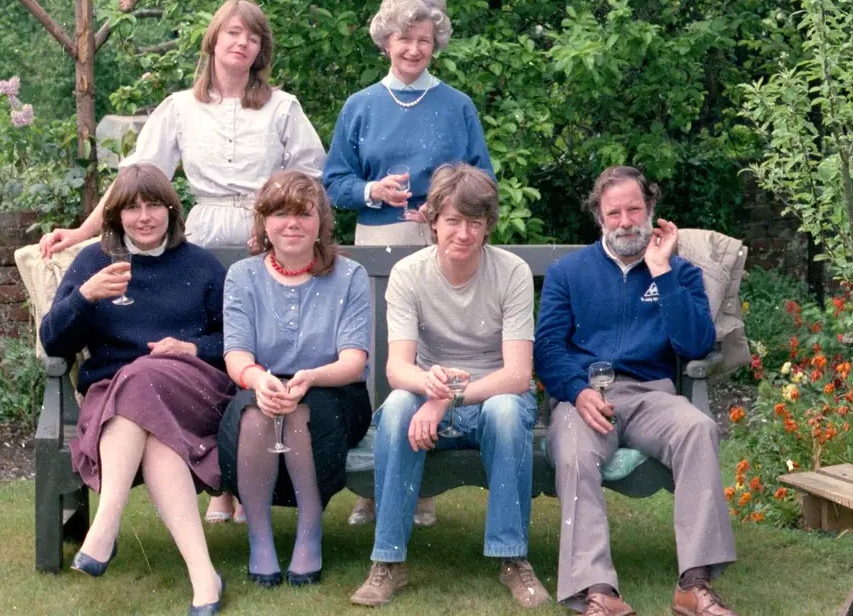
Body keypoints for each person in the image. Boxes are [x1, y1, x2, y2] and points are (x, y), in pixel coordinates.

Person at [40, 0, 324, 523]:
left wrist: (286, 230)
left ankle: (238, 470)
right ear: (214, 40)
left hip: (265, 237)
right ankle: (223, 491)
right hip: (208, 231)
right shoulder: (179, 108)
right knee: (211, 338)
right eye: (233, 33)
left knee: (252, 344)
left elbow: (309, 180)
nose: (242, 43)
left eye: (253, 37)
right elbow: (136, 179)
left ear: (261, 50)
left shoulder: (282, 107)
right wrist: (82, 230)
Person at [324, 0, 493, 526]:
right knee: (379, 361)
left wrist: (443, 204)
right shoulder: (361, 106)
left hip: (443, 242)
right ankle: (374, 486)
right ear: (386, 41)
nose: (414, 50)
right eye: (404, 39)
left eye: (424, 40)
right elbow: (332, 183)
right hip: (376, 243)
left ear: (435, 43)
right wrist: (375, 192)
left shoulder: (457, 105)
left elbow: (482, 179)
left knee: (429, 357)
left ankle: (421, 490)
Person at [534, 166, 738, 616]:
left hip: (651, 394)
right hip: (585, 396)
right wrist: (575, 390)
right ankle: (597, 591)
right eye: (614, 213)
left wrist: (661, 271)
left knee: (698, 430)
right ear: (599, 217)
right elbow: (546, 348)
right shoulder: (568, 273)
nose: (625, 221)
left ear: (651, 211)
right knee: (574, 453)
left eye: (634, 209)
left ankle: (695, 586)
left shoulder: (679, 273)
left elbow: (696, 343)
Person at [350, 164, 548, 608]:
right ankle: (388, 562)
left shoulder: (511, 272)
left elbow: (517, 375)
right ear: (433, 220)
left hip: (495, 396)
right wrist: (431, 391)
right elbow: (398, 369)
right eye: (453, 220)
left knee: (505, 410)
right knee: (399, 408)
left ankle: (512, 557)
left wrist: (447, 399)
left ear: (487, 225)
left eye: (475, 222)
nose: (463, 232)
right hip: (427, 390)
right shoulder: (409, 274)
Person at [38, 163, 229, 616]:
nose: (144, 217)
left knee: (143, 373)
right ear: (116, 216)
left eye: (154, 206)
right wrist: (85, 297)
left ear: (171, 210)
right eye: (131, 208)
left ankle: (104, 528)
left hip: (192, 389)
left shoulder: (200, 265)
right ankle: (205, 576)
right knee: (151, 425)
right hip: (114, 399)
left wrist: (190, 346)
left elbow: (235, 342)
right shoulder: (93, 264)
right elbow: (53, 341)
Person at [215, 170, 373, 588]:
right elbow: (236, 354)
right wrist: (255, 378)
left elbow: (354, 361)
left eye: (303, 214)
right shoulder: (242, 276)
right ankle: (260, 539)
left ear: (320, 221)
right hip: (261, 383)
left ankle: (309, 532)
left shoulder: (350, 276)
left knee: (300, 412)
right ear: (264, 222)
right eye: (281, 213)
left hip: (335, 388)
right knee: (254, 416)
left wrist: (311, 376)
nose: (292, 224)